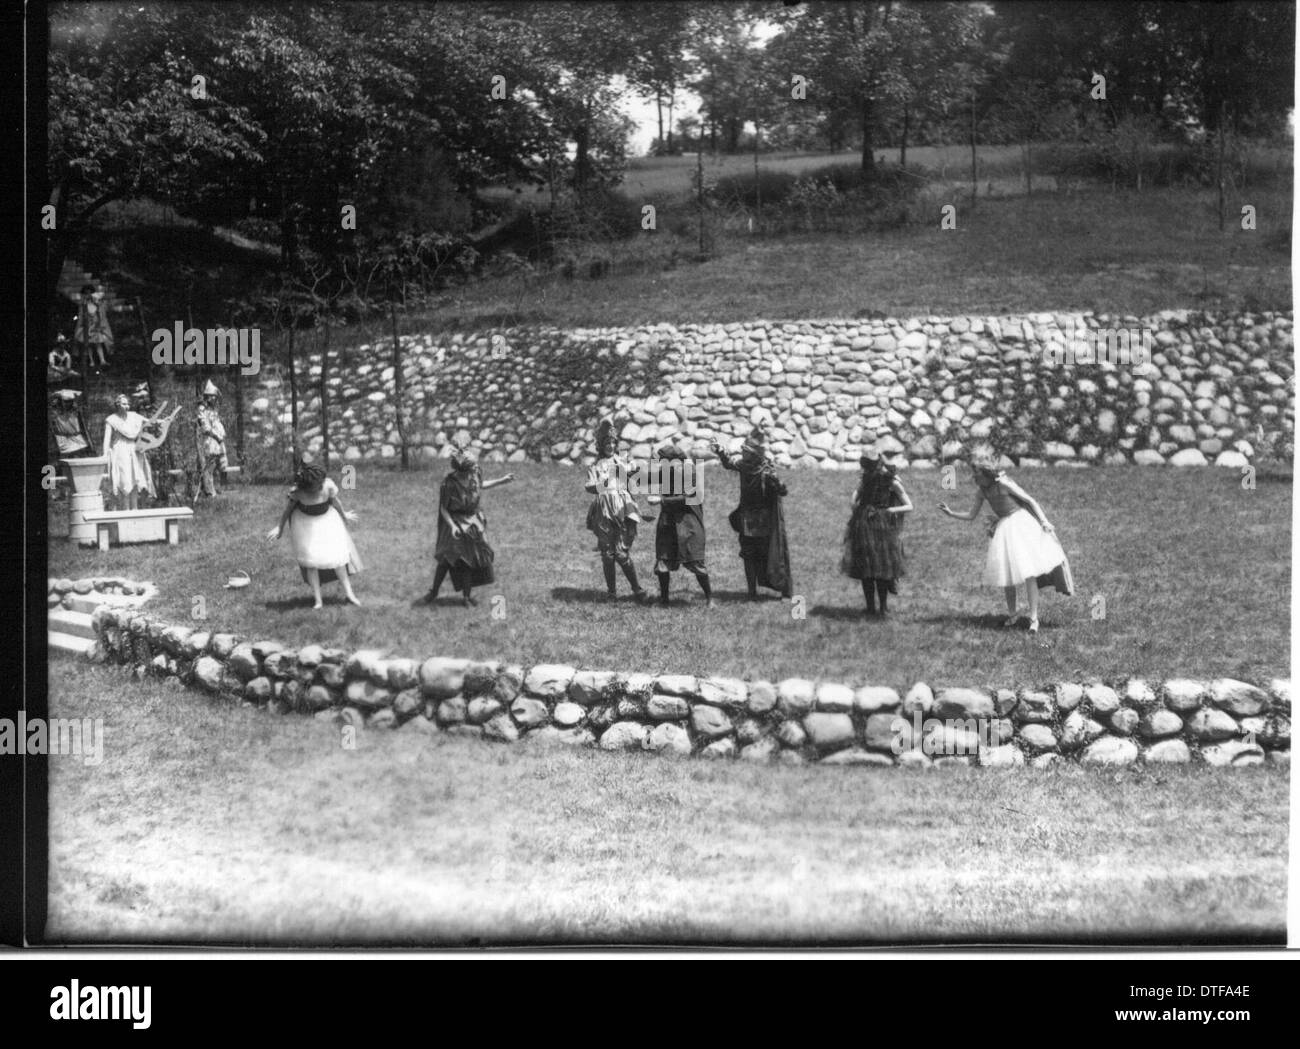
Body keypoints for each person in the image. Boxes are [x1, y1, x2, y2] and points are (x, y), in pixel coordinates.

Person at [938, 445, 1073, 634]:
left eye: (976, 474)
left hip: (1020, 525)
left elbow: (1029, 500)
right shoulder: (982, 491)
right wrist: (951, 513)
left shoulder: (1004, 484)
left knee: (1028, 572)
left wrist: (1044, 521)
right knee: (1007, 575)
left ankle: (1034, 619)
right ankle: (1013, 614)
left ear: (986, 473)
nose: (974, 478)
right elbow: (971, 515)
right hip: (1004, 530)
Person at [421, 446, 513, 607]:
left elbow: (480, 485)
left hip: (473, 522)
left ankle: (466, 597)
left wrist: (501, 480)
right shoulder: (449, 484)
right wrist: (452, 526)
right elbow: (443, 508)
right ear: (462, 470)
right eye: (470, 468)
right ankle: (433, 591)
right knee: (446, 559)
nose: (474, 470)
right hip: (455, 522)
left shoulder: (474, 473)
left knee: (468, 560)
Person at [266, 459, 363, 609]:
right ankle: (318, 600)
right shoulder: (297, 493)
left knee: (337, 559)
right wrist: (280, 527)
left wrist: (344, 515)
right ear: (305, 486)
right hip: (305, 524)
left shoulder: (327, 485)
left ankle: (350, 593)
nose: (318, 487)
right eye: (314, 486)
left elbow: (336, 502)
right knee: (311, 562)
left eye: (319, 484)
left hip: (327, 521)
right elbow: (288, 510)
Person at [712, 423, 792, 600]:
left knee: (769, 554)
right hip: (746, 518)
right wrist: (720, 452)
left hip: (764, 520)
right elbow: (728, 463)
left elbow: (783, 491)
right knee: (748, 555)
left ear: (755, 454)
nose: (743, 454)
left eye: (746, 451)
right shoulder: (744, 466)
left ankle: (783, 590)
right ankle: (751, 592)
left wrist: (777, 483)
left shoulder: (767, 470)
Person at [841, 446, 913, 616]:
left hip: (878, 527)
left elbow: (909, 505)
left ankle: (880, 607)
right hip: (867, 526)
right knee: (870, 567)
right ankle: (874, 608)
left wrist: (890, 511)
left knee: (878, 568)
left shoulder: (891, 481)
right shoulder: (867, 479)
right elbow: (854, 498)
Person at [584, 414, 648, 602]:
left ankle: (637, 589)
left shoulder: (622, 461)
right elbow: (589, 485)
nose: (610, 446)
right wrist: (600, 484)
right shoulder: (595, 466)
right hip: (603, 512)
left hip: (623, 509)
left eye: (613, 443)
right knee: (607, 555)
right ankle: (611, 592)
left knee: (621, 552)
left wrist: (633, 468)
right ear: (601, 446)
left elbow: (636, 475)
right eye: (606, 443)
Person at [651, 438, 712, 608]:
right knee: (662, 563)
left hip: (688, 525)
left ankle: (710, 598)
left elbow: (688, 498)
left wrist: (661, 501)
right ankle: (664, 600)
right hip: (668, 524)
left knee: (696, 563)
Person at [101, 393, 157, 510]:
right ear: (117, 405)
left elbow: (150, 421)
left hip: (134, 449)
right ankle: (125, 509)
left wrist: (163, 421)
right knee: (124, 479)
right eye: (123, 404)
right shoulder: (111, 420)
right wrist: (104, 455)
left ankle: (135, 509)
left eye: (128, 404)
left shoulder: (134, 416)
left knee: (135, 477)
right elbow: (107, 439)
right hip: (120, 451)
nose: (126, 406)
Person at [196, 379, 230, 497]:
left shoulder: (214, 409)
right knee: (209, 467)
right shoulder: (202, 410)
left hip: (219, 441)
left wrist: (220, 437)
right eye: (211, 396)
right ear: (207, 397)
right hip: (210, 440)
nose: (214, 399)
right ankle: (210, 492)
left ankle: (222, 488)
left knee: (222, 464)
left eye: (214, 396)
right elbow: (205, 427)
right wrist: (216, 436)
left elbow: (220, 399)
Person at [73, 283, 113, 372]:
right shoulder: (83, 305)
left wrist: (99, 324)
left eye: (89, 293)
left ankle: (102, 360)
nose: (88, 295)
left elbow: (100, 314)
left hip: (96, 326)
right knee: (89, 345)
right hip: (87, 327)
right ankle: (91, 361)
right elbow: (81, 317)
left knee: (98, 343)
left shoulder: (96, 304)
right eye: (86, 293)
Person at [49, 390, 93, 460]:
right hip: (63, 441)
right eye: (65, 401)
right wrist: (56, 396)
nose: (67, 404)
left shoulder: (76, 412)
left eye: (69, 401)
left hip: (77, 440)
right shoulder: (55, 412)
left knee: (80, 459)